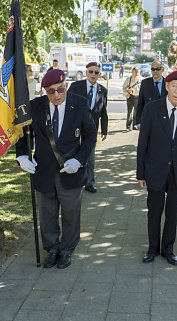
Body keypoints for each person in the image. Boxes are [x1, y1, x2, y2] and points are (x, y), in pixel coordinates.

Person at [15, 69, 97, 269]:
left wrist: (79, 160)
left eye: (60, 89)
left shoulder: (79, 104)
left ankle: (67, 249)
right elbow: (22, 134)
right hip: (43, 171)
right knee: (47, 214)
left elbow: (90, 135)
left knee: (71, 213)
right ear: (45, 91)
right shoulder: (35, 107)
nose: (56, 95)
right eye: (51, 91)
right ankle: (52, 248)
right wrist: (22, 155)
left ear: (66, 86)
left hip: (71, 170)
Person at [137, 70, 177, 266]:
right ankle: (152, 249)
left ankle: (168, 249)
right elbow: (142, 142)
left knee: (172, 213)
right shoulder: (152, 109)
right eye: (173, 86)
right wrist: (141, 172)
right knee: (154, 211)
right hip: (155, 170)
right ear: (166, 86)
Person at [68, 62, 108, 194]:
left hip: (91, 130)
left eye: (96, 72)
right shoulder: (75, 86)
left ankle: (89, 183)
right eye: (91, 72)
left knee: (90, 156)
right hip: (74, 127)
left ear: (99, 74)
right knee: (73, 153)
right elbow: (67, 105)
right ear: (86, 72)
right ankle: (73, 181)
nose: (93, 75)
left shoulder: (103, 90)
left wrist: (104, 130)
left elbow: (104, 112)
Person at [135, 59, 168, 128]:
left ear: (162, 69)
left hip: (165, 122)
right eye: (153, 69)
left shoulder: (169, 84)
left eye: (157, 69)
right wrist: (139, 122)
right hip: (149, 122)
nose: (155, 71)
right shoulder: (145, 83)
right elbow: (140, 104)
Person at [122, 67, 141, 131]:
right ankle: (128, 126)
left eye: (138, 71)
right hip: (130, 96)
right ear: (132, 72)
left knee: (136, 112)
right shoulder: (128, 79)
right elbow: (124, 87)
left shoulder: (141, 79)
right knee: (129, 112)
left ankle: (134, 125)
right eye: (135, 71)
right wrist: (126, 93)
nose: (137, 73)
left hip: (138, 97)